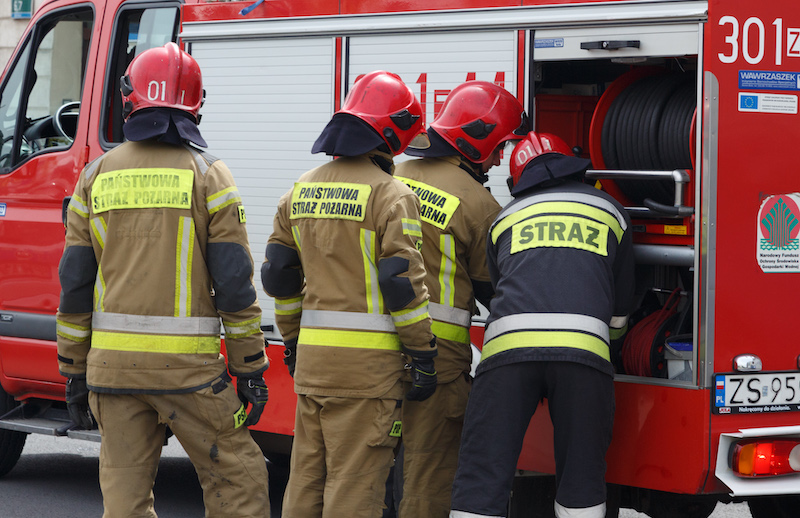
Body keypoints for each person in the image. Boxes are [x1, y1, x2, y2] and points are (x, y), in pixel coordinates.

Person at [56, 42, 271, 518]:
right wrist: (250, 366)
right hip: (188, 374)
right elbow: (234, 282)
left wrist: (73, 367)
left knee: (125, 502)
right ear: (195, 104)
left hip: (111, 371)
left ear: (129, 98)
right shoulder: (209, 174)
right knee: (239, 481)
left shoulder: (94, 176)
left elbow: (74, 283)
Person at [261, 70, 436, 518]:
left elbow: (279, 276)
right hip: (368, 374)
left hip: (313, 365)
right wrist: (422, 353)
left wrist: (292, 340)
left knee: (306, 478)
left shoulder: (299, 190)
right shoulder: (392, 195)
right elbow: (400, 283)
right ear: (391, 134)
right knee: (354, 485)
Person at [449, 132, 635, 518]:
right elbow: (620, 304)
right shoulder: (611, 211)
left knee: (483, 472)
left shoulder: (505, 218)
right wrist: (611, 348)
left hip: (507, 356)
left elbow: (498, 287)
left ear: (519, 180)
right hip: (583, 355)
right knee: (582, 477)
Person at [392, 81, 527, 517]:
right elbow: (495, 290)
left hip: (375, 352)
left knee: (363, 475)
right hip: (440, 361)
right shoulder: (481, 206)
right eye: (499, 147)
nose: (500, 159)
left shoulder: (392, 175)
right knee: (428, 479)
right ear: (477, 140)